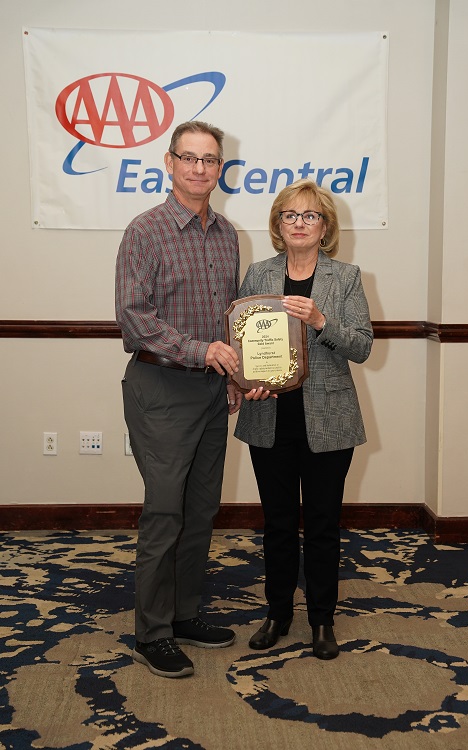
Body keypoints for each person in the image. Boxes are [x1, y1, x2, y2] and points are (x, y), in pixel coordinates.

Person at [115, 121, 242, 679]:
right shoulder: (145, 231)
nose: (199, 168)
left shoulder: (228, 234)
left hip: (214, 390)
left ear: (220, 168)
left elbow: (231, 314)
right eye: (188, 158)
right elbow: (134, 318)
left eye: (209, 159)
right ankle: (153, 633)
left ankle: (185, 613)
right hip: (162, 387)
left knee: (200, 511)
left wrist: (236, 369)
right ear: (169, 163)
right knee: (165, 513)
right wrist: (203, 350)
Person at [234, 179, 373, 659]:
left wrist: (320, 321)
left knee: (321, 524)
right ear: (277, 224)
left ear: (325, 226)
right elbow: (242, 342)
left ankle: (321, 619)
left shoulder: (347, 277)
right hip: (268, 415)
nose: (299, 223)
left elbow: (362, 345)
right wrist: (243, 377)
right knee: (275, 523)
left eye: (309, 215)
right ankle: (276, 613)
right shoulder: (256, 274)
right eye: (289, 215)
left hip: (329, 419)